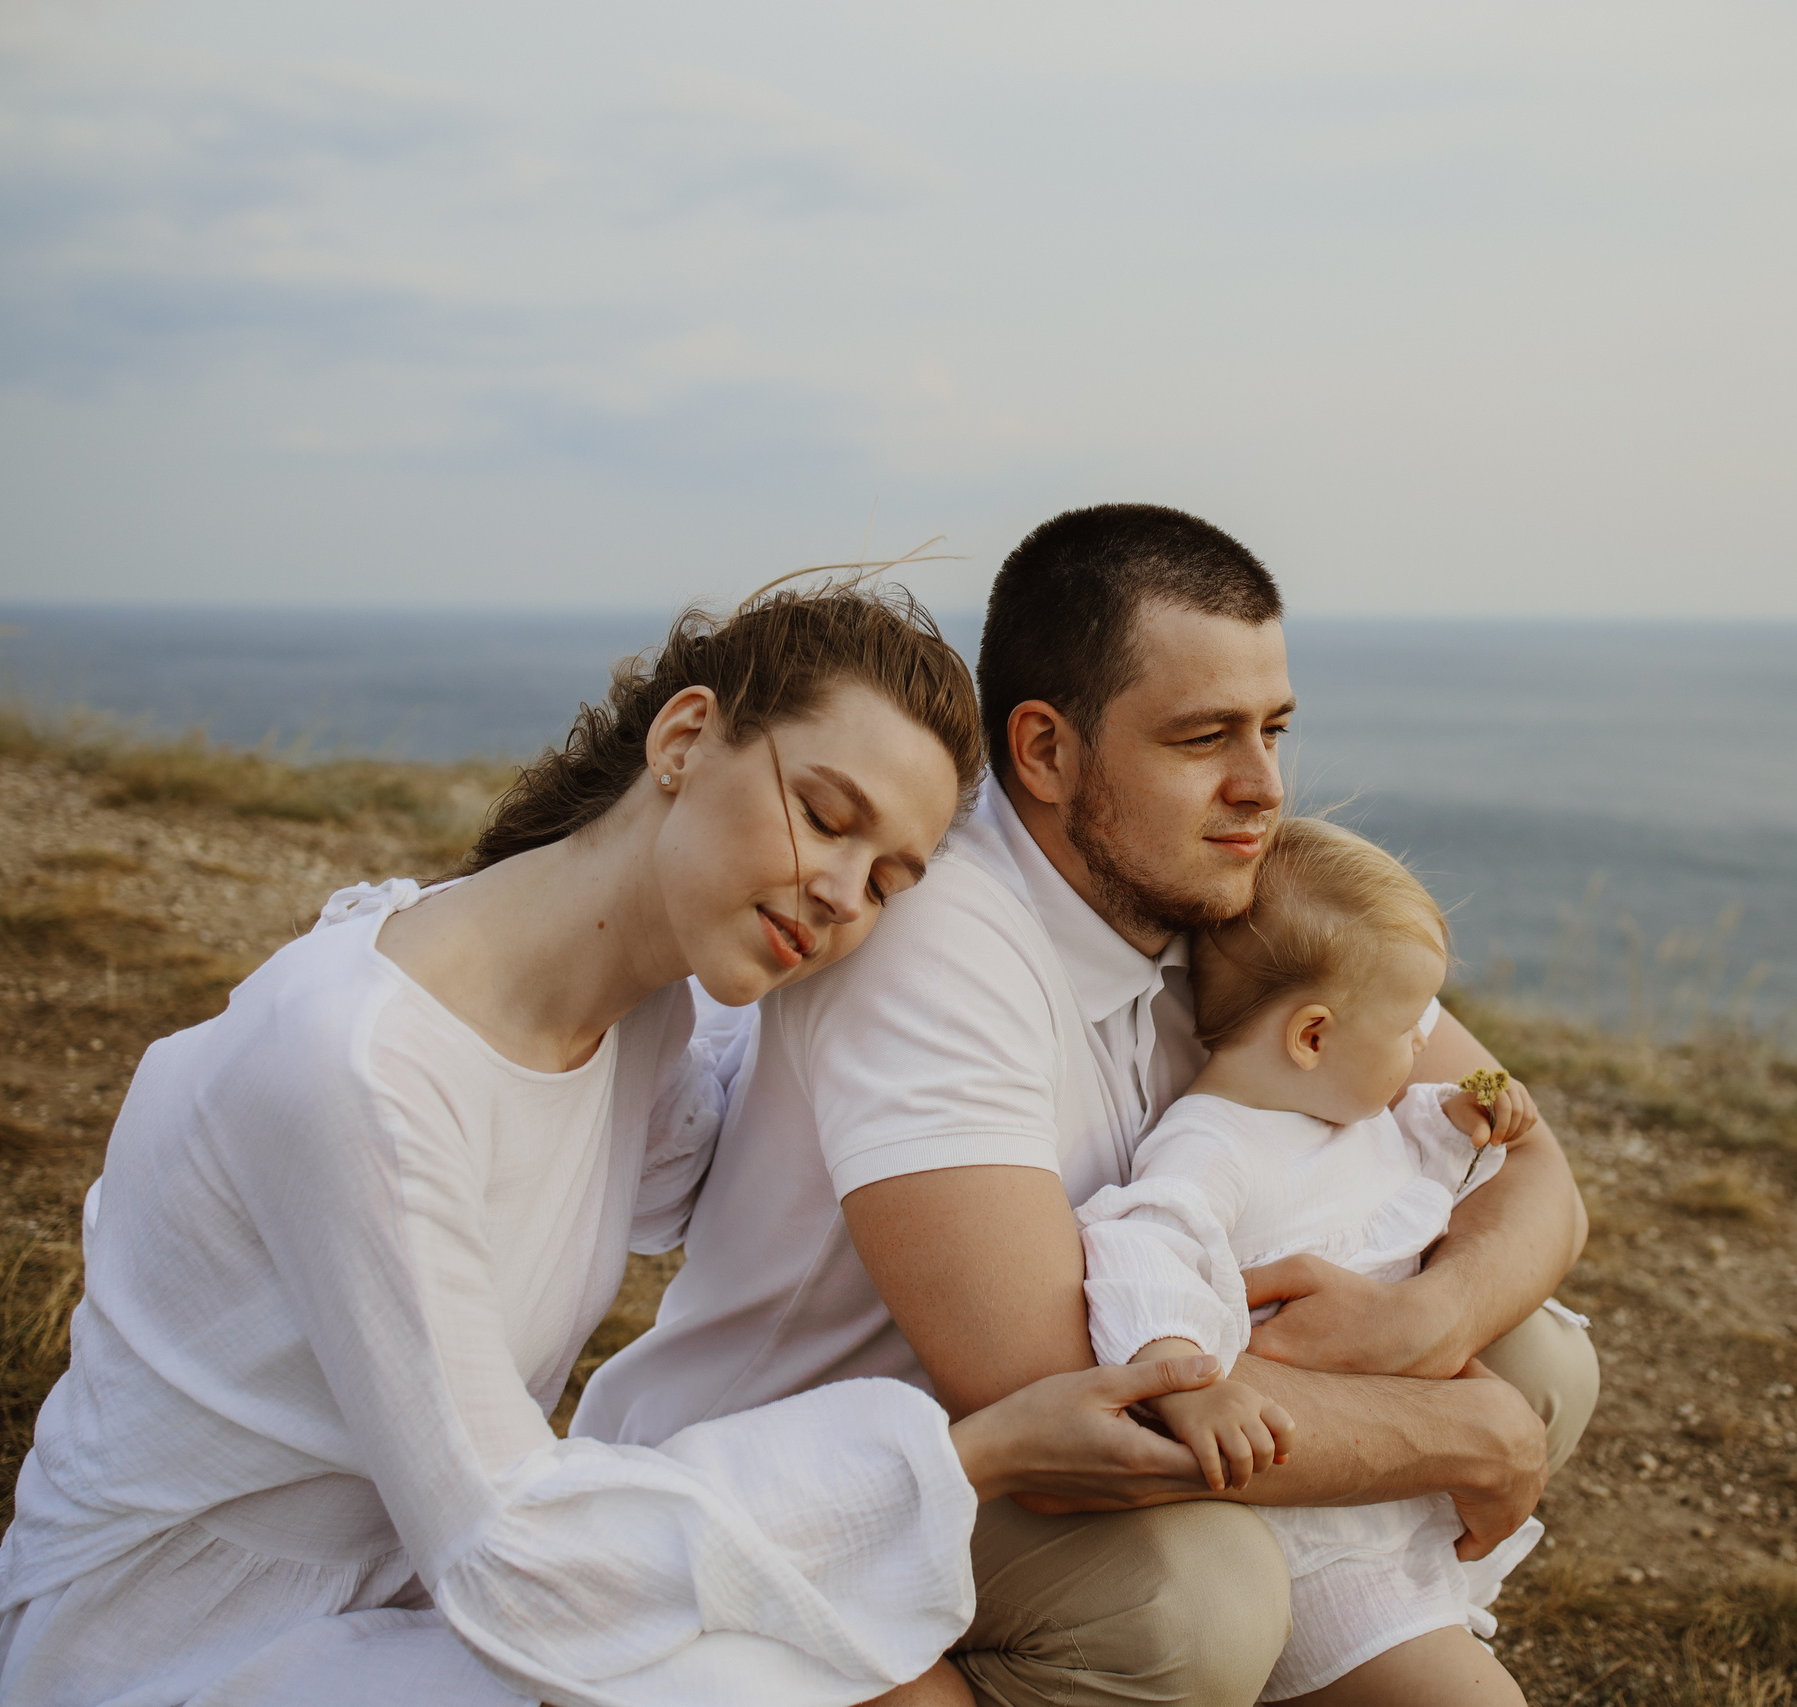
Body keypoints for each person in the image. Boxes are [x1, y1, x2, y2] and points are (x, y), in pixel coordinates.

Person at [0, 580, 1245, 1707]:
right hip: (193, 1649)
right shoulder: (355, 1068)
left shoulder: (646, 1011)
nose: (841, 894)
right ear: (685, 737)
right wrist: (977, 1452)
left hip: (422, 1580)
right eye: (824, 812)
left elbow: (766, 1140)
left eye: (892, 879)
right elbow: (510, 1553)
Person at [575, 507, 1597, 1707]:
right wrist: (1456, 1432)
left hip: (1116, 1409)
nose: (1259, 790)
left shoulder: (1233, 887)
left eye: (1273, 731)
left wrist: (1429, 1321)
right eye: (1202, 737)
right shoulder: (939, 938)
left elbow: (1529, 1160)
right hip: (833, 1463)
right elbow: (1058, 1403)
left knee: (1532, 1351)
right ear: (1048, 753)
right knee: (1191, 1602)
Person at [1080, 815, 1589, 1705]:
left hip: (1388, 1493)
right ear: (1312, 1036)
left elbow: (1399, 1167)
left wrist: (1467, 1120)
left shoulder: (1339, 1111)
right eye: (1405, 1034)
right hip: (1314, 1531)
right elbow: (1141, 1241)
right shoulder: (1214, 1142)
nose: (1419, 1055)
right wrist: (1181, 1371)